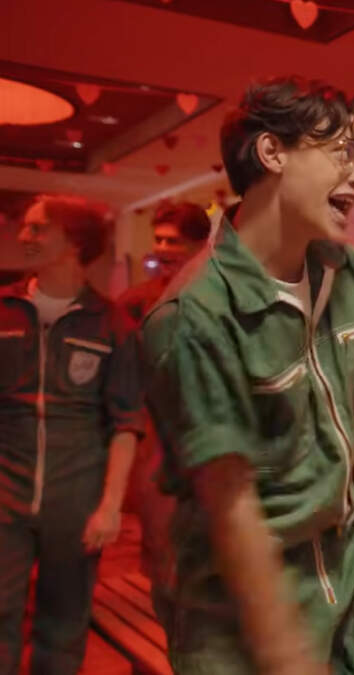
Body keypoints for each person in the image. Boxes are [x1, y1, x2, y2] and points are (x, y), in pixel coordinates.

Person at [139, 76, 354, 673]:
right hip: (240, 603)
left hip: (349, 568)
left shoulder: (353, 272)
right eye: (343, 153)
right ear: (272, 152)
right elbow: (228, 501)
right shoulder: (194, 316)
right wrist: (285, 653)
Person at [0, 194, 142, 673]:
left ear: (74, 242)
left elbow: (126, 423)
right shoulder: (4, 309)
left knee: (64, 623)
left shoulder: (113, 324)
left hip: (77, 496)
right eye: (26, 227)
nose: (24, 236)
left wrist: (110, 505)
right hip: (4, 491)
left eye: (38, 228)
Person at [115, 200, 212, 625]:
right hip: (157, 436)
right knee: (160, 535)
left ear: (201, 244)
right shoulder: (137, 302)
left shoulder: (225, 297)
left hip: (215, 431)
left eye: (174, 241)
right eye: (159, 240)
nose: (163, 248)